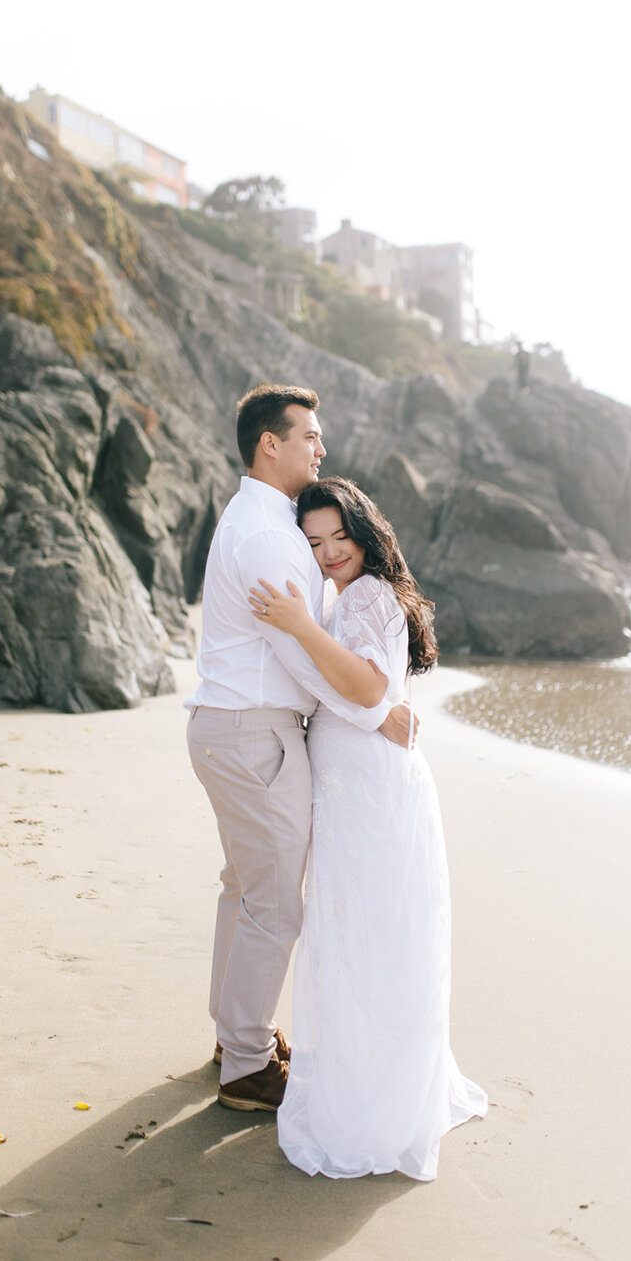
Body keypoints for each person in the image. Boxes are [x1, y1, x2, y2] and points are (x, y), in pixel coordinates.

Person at [185, 384, 416, 1113]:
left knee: (248, 888)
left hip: (235, 728)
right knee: (277, 904)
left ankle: (236, 1035)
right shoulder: (267, 536)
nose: (322, 448)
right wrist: (378, 710)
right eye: (310, 436)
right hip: (256, 732)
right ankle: (248, 1067)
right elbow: (300, 656)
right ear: (270, 444)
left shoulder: (268, 521)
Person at [249, 476, 486, 1180]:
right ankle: (368, 1078)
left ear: (364, 531)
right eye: (315, 543)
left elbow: (364, 686)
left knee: (374, 934)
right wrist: (374, 704)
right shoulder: (342, 597)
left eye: (338, 538)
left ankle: (378, 1099)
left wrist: (302, 630)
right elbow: (362, 692)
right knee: (358, 933)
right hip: (357, 783)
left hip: (374, 790)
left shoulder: (371, 595)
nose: (327, 554)